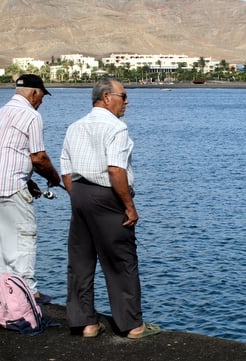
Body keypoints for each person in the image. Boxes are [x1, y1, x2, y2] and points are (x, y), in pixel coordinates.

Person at [60, 78, 160, 339]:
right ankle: (132, 325)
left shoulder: (75, 126)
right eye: (123, 96)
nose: (127, 101)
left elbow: (66, 170)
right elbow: (116, 170)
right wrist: (129, 206)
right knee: (121, 261)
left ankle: (86, 324)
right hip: (107, 195)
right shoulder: (116, 128)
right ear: (106, 97)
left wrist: (80, 196)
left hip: (80, 192)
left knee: (80, 260)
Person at [0, 74, 61, 304]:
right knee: (22, 242)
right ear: (34, 93)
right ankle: (27, 297)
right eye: (42, 96)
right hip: (10, 191)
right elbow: (39, 157)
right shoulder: (31, 116)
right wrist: (53, 177)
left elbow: (3, 153)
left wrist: (28, 179)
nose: (41, 101)